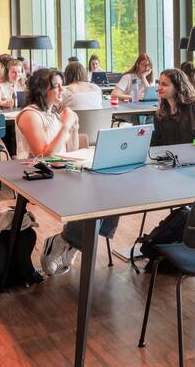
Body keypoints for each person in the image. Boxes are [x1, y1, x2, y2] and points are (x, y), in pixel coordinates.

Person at [14, 69, 118, 275]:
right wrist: (66, 126)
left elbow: (71, 151)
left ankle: (70, 242)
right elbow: (43, 155)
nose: (62, 89)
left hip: (62, 171)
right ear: (43, 90)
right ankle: (66, 242)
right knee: (96, 197)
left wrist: (73, 127)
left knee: (113, 191)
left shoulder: (54, 113)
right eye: (57, 86)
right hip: (40, 176)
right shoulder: (30, 115)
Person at [152, 68, 195, 146]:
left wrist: (191, 143)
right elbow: (159, 143)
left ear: (178, 87)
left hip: (193, 155)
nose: (159, 88)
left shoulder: (194, 107)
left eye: (164, 84)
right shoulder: (161, 113)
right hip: (169, 156)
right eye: (159, 84)